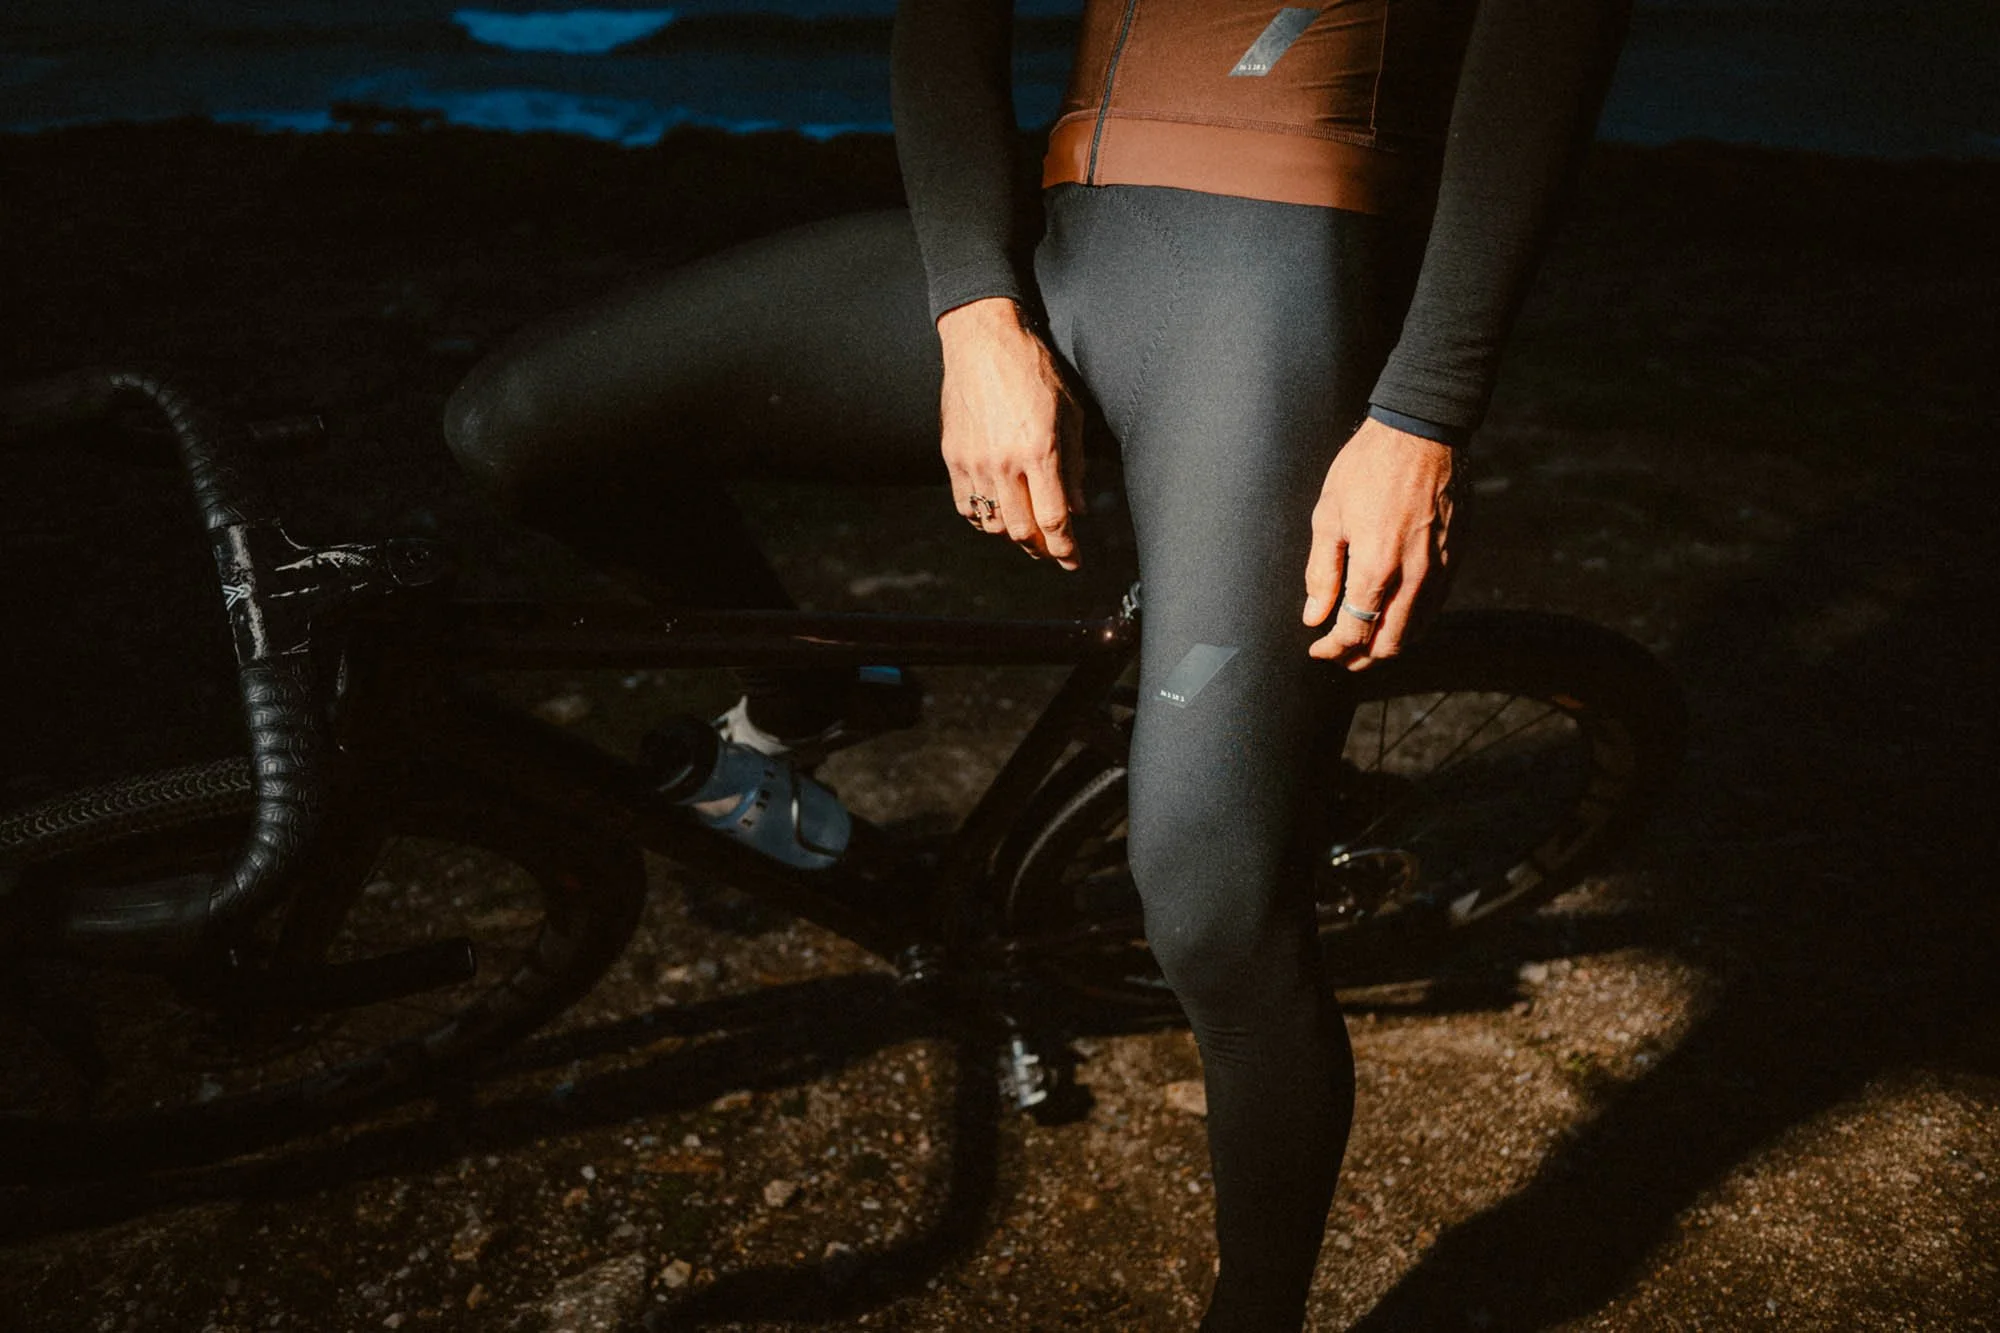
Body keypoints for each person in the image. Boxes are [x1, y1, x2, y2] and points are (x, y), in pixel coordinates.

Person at [443, 1, 1629, 1326]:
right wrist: (976, 317)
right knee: (520, 425)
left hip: (1270, 288)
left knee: (1211, 909)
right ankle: (803, 701)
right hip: (1056, 249)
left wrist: (1420, 416)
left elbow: (1552, 35)